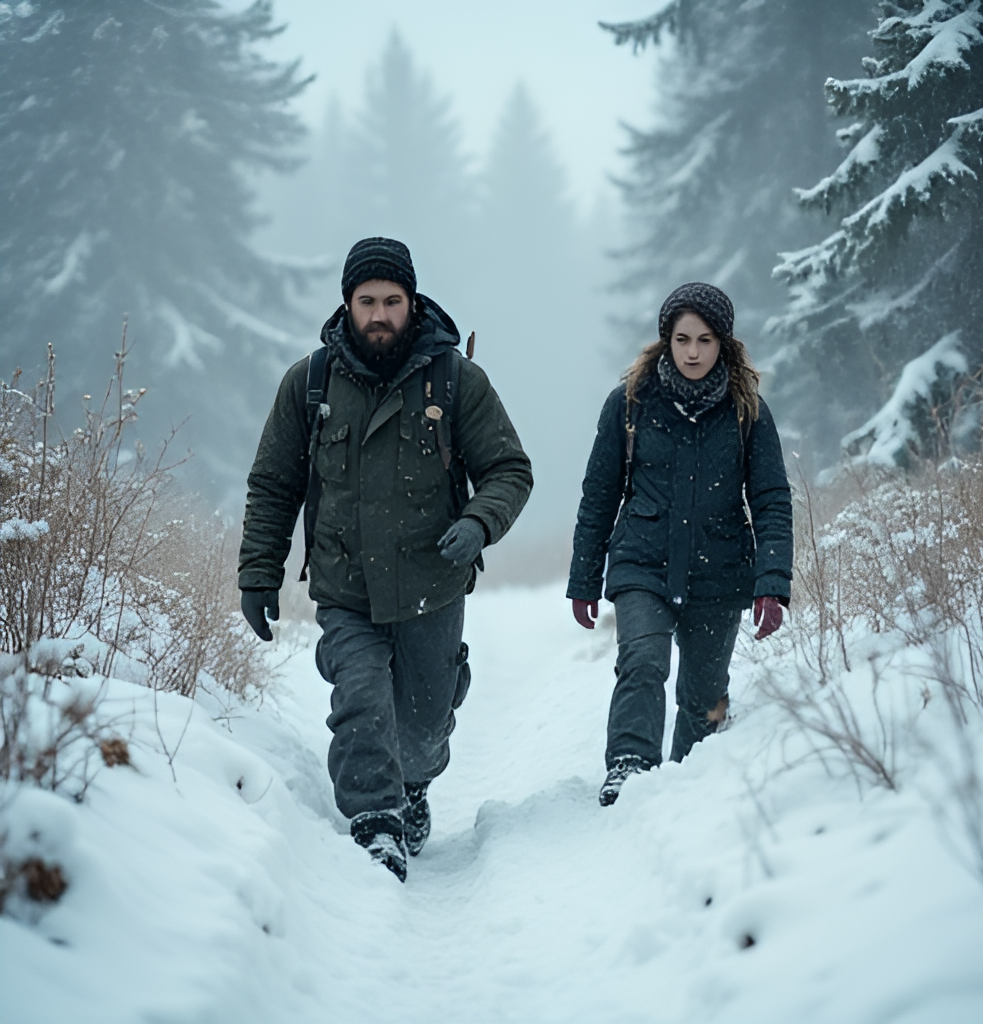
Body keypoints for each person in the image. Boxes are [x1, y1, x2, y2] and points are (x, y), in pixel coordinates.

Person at [238, 237, 533, 880]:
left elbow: (509, 469)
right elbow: (274, 485)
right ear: (347, 303)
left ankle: (413, 784)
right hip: (345, 587)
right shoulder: (309, 383)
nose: (379, 314)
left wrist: (478, 523)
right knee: (362, 700)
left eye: (391, 301)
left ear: (411, 302)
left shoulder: (456, 380)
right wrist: (259, 573)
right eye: (367, 300)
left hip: (432, 584)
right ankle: (375, 823)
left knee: (424, 725)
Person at [567, 282, 792, 806]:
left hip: (720, 569)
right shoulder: (628, 404)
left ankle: (692, 780)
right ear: (666, 340)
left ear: (723, 344)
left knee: (703, 695)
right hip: (642, 563)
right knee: (643, 660)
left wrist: (772, 582)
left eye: (705, 340)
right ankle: (629, 766)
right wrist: (584, 579)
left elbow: (771, 500)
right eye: (682, 339)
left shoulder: (747, 411)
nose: (693, 352)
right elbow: (599, 496)